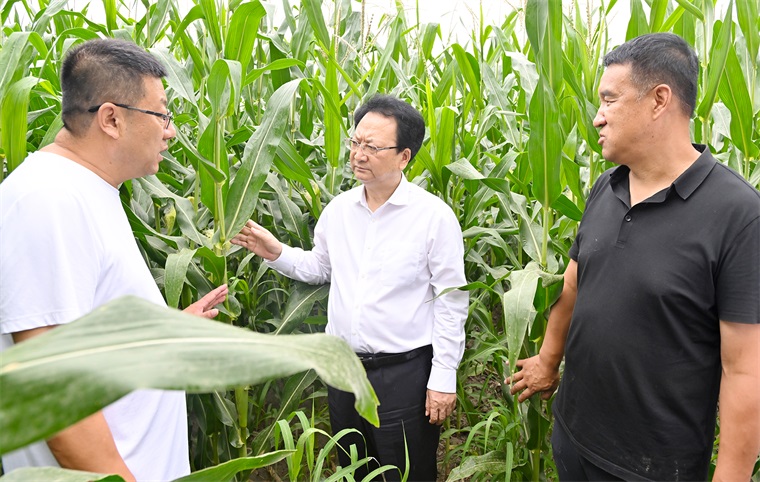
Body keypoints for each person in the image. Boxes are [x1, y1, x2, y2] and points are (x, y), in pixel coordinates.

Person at [507, 32, 760, 480]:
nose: (597, 118)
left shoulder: (738, 214)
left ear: (659, 100)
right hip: (573, 437)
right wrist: (547, 359)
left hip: (652, 467)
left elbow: (744, 372)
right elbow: (575, 283)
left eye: (609, 100)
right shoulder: (607, 186)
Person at [0, 38, 228, 481]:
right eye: (161, 114)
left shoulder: (86, 189)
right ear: (111, 119)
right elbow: (52, 385)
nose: (170, 131)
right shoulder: (49, 199)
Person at [231, 94, 468, 481]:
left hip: (403, 375)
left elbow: (451, 302)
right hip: (343, 372)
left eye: (372, 147)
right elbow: (322, 268)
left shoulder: (433, 219)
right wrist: (275, 252)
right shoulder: (339, 210)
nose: (358, 154)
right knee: (353, 469)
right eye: (355, 142)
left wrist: (443, 377)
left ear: (404, 156)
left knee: (406, 472)